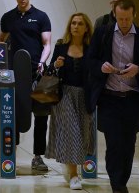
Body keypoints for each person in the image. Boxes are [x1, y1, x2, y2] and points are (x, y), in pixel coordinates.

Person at [87, 0, 139, 193]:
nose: (124, 23)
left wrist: (138, 69)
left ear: (134, 16)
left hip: (133, 99)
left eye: (128, 19)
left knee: (128, 145)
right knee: (113, 143)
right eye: (121, 19)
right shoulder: (103, 34)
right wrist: (101, 67)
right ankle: (117, 186)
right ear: (115, 15)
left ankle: (122, 181)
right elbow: (90, 60)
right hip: (109, 97)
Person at [0, 0, 52, 171]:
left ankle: (38, 156)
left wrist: (42, 62)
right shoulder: (8, 18)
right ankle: (10, 148)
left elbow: (47, 44)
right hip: (13, 73)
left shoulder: (41, 17)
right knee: (12, 112)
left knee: (41, 114)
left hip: (37, 73)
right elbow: (1, 41)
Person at [45, 13, 95, 190]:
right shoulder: (61, 47)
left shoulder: (91, 49)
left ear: (86, 28)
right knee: (71, 131)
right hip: (64, 94)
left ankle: (69, 167)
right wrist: (56, 66)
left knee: (82, 134)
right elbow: (49, 70)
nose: (76, 26)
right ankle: (74, 175)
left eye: (80, 23)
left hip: (84, 96)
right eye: (73, 23)